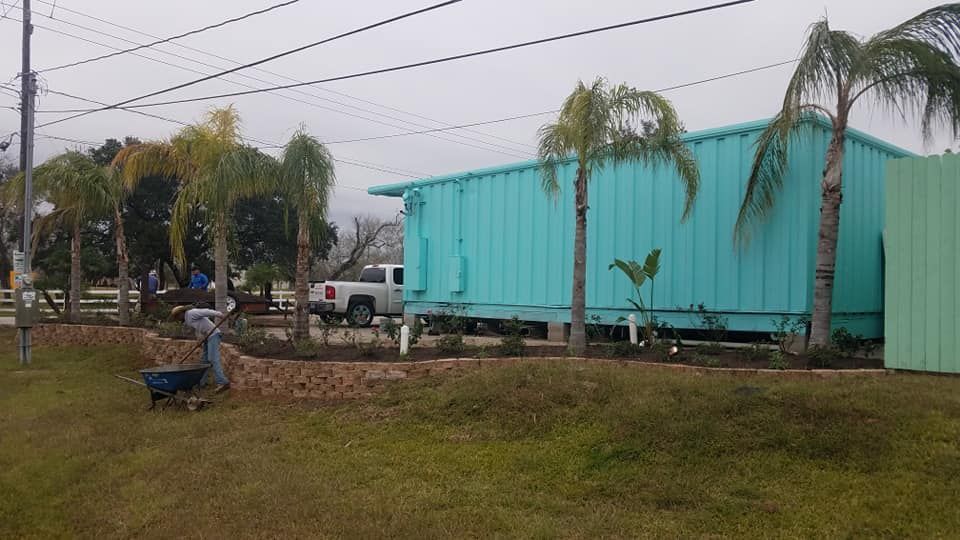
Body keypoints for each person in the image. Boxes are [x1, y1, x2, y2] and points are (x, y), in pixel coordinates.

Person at [183, 303, 230, 393]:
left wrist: (220, 315)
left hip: (213, 334)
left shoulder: (191, 313)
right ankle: (201, 382)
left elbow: (206, 311)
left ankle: (223, 382)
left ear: (180, 314)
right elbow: (198, 329)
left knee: (212, 358)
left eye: (176, 317)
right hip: (207, 337)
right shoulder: (187, 320)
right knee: (204, 361)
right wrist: (199, 340)